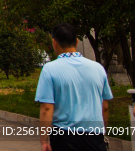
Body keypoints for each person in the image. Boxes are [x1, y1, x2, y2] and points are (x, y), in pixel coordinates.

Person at [35, 23, 113, 151]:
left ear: (54, 42)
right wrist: (102, 133)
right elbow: (104, 107)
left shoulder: (50, 69)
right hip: (94, 136)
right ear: (77, 42)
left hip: (64, 137)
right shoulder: (98, 68)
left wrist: (44, 140)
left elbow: (47, 108)